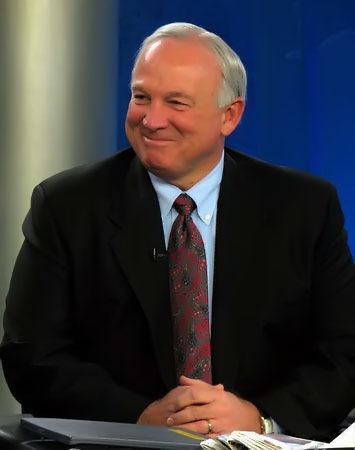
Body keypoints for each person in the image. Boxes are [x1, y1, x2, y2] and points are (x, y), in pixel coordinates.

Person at [1, 22, 355, 442]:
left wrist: (258, 419)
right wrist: (141, 417)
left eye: (176, 103)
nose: (151, 120)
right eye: (141, 97)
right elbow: (32, 354)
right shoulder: (66, 205)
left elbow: (344, 351)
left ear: (230, 115)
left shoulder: (305, 207)